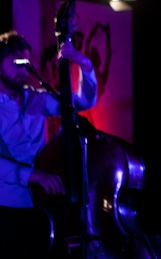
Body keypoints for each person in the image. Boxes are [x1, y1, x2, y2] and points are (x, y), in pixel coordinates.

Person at [0, 30, 98, 258]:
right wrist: (33, 175)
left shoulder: (37, 98)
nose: (23, 68)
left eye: (25, 62)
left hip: (41, 208)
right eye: (16, 62)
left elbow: (84, 101)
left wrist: (84, 65)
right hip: (6, 207)